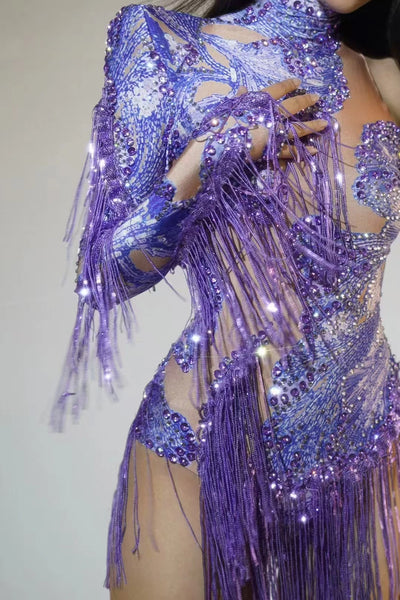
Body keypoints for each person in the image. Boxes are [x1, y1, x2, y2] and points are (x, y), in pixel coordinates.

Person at [55, 0, 400, 598]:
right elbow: (106, 276)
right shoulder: (165, 44)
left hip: (366, 454)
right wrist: (206, 160)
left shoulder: (385, 74)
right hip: (199, 449)